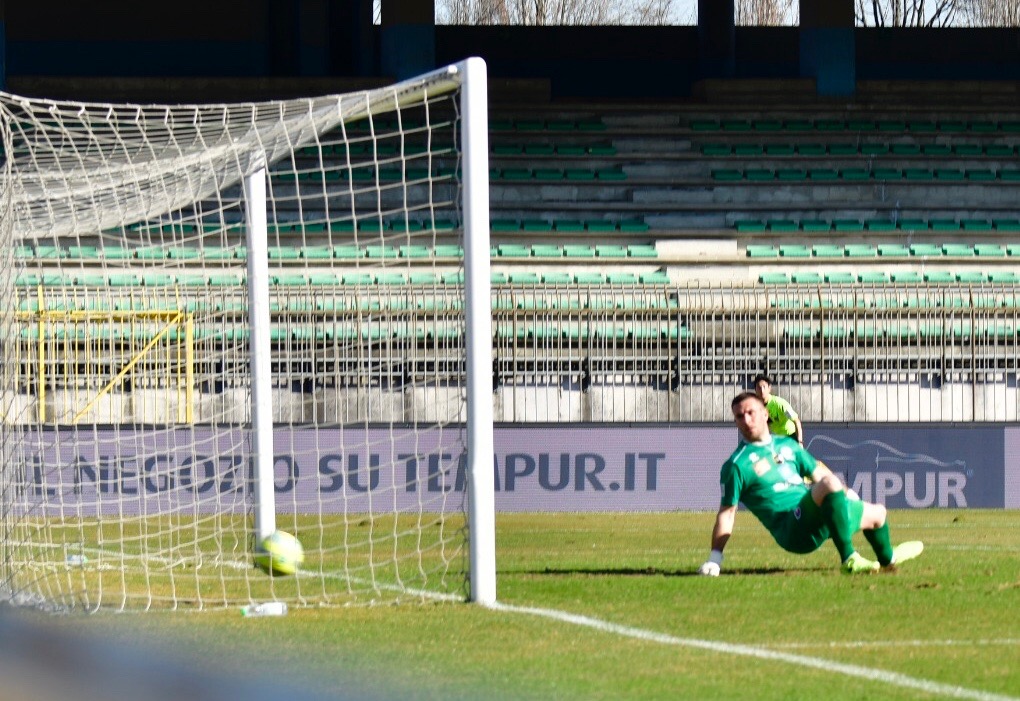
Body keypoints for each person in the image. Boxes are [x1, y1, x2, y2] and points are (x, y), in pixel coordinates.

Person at [698, 391, 923, 576]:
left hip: (814, 512)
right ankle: (850, 559)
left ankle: (889, 561)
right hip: (792, 528)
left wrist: (850, 496)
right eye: (739, 416)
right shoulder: (737, 465)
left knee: (878, 514)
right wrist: (715, 560)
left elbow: (819, 472)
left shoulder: (788, 446)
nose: (746, 420)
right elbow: (727, 514)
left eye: (750, 412)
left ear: (766, 414)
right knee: (829, 485)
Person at [753, 374, 804, 445]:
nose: (762, 390)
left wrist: (800, 441)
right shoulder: (757, 406)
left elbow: (796, 420)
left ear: (769, 388)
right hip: (776, 439)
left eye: (764, 387)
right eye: (759, 387)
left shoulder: (779, 404)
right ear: (755, 390)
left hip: (790, 437)